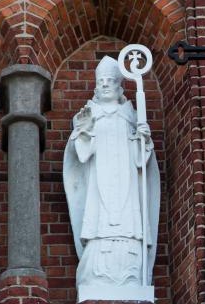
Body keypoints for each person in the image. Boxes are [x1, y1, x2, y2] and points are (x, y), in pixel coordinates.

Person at [64, 56, 160, 288]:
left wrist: (143, 141)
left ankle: (131, 270)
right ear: (96, 88)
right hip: (99, 181)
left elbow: (141, 163)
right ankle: (97, 270)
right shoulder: (89, 115)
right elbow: (82, 155)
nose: (105, 84)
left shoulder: (131, 117)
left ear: (120, 88)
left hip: (126, 182)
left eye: (110, 81)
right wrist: (84, 131)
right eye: (102, 81)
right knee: (99, 219)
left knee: (129, 218)